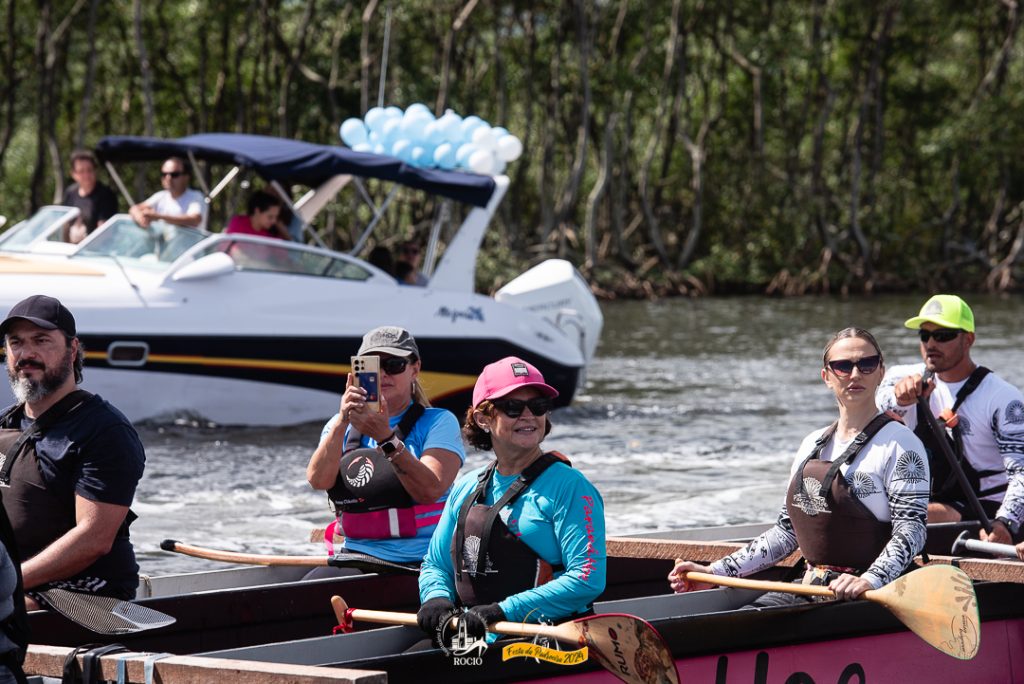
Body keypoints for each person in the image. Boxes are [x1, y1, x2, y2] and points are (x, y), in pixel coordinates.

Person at [670, 328, 928, 605]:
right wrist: (713, 571)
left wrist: (870, 579)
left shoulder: (901, 444)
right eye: (842, 366)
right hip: (813, 587)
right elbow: (786, 532)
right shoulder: (811, 444)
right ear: (826, 377)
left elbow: (912, 530)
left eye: (866, 364)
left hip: (872, 595)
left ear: (881, 372)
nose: (855, 374)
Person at [416, 357, 606, 644]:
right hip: (480, 633)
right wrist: (436, 597)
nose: (529, 415)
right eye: (513, 407)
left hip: (548, 637)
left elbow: (587, 578)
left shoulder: (571, 488)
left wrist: (503, 611)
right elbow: (436, 564)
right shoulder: (467, 486)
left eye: (539, 406)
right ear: (483, 419)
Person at [0, 295, 146, 609]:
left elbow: (93, 540)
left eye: (41, 341)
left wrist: (7, 583)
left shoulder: (104, 431)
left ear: (72, 349)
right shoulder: (4, 424)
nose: (27, 354)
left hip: (88, 595)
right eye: (16, 343)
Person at [306, 326, 464, 572]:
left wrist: (385, 437)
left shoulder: (439, 422)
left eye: (394, 365)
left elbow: (430, 490)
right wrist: (341, 422)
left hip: (423, 563)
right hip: (357, 555)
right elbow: (318, 480)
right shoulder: (340, 426)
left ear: (415, 369)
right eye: (373, 365)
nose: (382, 373)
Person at [877, 294, 1024, 545]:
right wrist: (899, 400)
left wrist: (1006, 523)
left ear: (968, 339)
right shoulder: (900, 378)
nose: (931, 343)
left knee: (902, 516)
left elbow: (1021, 472)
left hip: (986, 508)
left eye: (943, 335)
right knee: (867, 506)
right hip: (931, 495)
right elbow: (873, 406)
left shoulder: (1004, 398)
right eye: (925, 335)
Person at [128, 157, 207, 230]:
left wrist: (158, 217)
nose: (168, 178)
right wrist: (140, 217)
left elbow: (195, 220)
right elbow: (135, 208)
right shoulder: (160, 196)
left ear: (186, 177)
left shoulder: (196, 196)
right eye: (164, 174)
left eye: (174, 175)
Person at [59, 150, 118, 240]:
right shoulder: (70, 193)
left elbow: (104, 232)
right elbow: (64, 225)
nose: (86, 175)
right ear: (73, 174)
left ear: (95, 171)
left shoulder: (106, 195)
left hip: (96, 250)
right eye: (81, 171)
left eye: (89, 170)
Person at [225, 191, 290, 240]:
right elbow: (229, 247)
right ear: (257, 211)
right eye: (270, 217)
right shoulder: (238, 223)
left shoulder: (272, 233)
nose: (274, 221)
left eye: (276, 217)